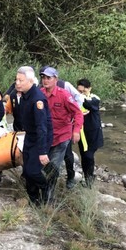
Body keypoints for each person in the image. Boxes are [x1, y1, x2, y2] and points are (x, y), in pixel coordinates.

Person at [39, 67, 83, 198]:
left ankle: (49, 198)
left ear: (56, 79)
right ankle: (43, 189)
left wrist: (76, 131)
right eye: (43, 78)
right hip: (45, 138)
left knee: (53, 167)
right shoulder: (39, 94)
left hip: (61, 137)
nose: (45, 80)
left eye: (48, 78)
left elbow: (78, 113)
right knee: (43, 166)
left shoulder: (64, 95)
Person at [15, 66, 53, 205]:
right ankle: (33, 199)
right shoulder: (24, 95)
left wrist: (43, 152)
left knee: (33, 171)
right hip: (30, 136)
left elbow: (42, 127)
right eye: (16, 79)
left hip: (40, 137)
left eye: (21, 80)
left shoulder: (37, 99)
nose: (17, 83)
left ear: (30, 81)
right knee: (26, 170)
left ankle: (46, 187)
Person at [76, 78, 104, 186]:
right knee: (84, 156)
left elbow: (90, 105)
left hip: (93, 133)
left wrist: (81, 97)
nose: (81, 93)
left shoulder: (94, 99)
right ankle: (87, 177)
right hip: (81, 133)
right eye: (79, 91)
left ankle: (90, 178)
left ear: (89, 89)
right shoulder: (75, 99)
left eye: (84, 91)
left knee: (89, 155)